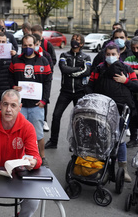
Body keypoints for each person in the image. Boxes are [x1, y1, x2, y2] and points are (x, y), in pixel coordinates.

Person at [0, 89, 42, 217]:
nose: (8, 109)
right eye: (5, 104)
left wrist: (34, 162)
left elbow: (36, 157)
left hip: (15, 174)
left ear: (20, 107)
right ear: (0, 105)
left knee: (34, 199)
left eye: (13, 105)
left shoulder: (28, 127)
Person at [86, 42, 138, 182]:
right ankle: (98, 167)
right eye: (108, 54)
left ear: (119, 55)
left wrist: (125, 81)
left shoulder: (127, 69)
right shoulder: (99, 69)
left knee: (119, 140)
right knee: (99, 138)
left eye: (113, 54)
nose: (110, 57)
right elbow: (90, 86)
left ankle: (123, 169)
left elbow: (136, 86)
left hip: (122, 111)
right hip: (101, 110)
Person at [9, 34, 52, 167]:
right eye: (25, 45)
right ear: (22, 45)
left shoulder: (43, 61)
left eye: (30, 45)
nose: (28, 48)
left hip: (36, 106)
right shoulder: (16, 60)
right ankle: (16, 157)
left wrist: (44, 100)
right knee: (17, 133)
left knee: (38, 134)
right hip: (20, 106)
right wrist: (13, 87)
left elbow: (48, 82)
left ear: (35, 45)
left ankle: (42, 157)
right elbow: (9, 77)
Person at [45, 34, 91, 149]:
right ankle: (53, 141)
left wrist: (72, 73)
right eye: (73, 39)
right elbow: (64, 69)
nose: (74, 41)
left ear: (81, 44)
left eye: (77, 39)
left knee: (79, 119)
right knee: (56, 115)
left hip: (80, 92)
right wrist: (77, 70)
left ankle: (77, 143)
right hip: (65, 92)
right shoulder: (64, 54)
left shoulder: (86, 57)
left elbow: (87, 71)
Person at [31, 25, 56, 132]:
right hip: (32, 79)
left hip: (42, 77)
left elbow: (53, 60)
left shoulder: (47, 47)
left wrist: (46, 72)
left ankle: (44, 120)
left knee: (43, 99)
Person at [123, 36, 138, 148]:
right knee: (133, 116)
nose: (135, 51)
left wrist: (134, 72)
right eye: (133, 48)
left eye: (137, 48)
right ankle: (133, 138)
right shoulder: (129, 59)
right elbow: (125, 75)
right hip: (132, 94)